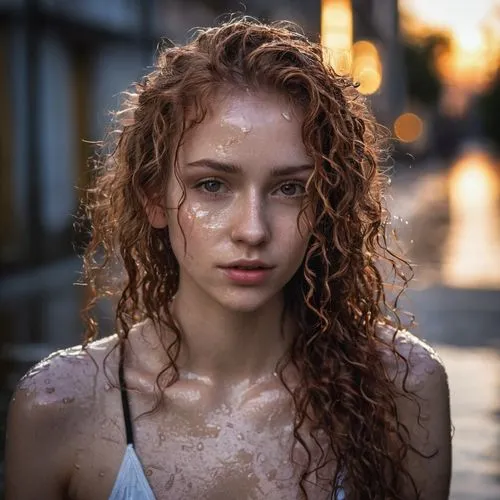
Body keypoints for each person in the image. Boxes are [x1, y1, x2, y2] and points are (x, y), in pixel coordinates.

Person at [4, 17, 451, 500]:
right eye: (212, 185)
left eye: (290, 189)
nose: (252, 230)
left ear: (326, 204)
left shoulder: (402, 389)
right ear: (155, 197)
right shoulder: (59, 404)